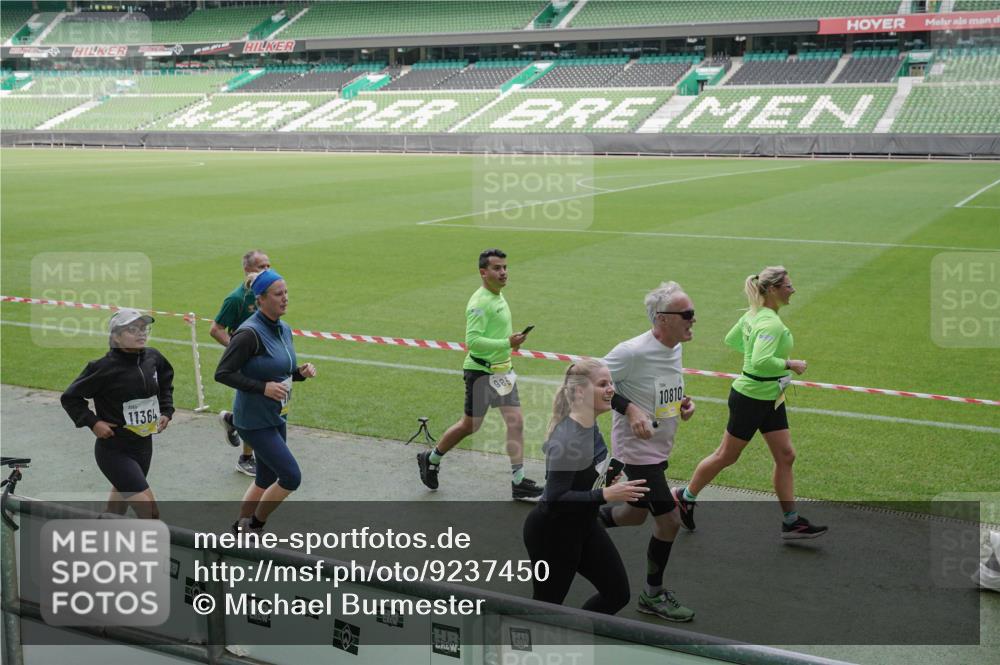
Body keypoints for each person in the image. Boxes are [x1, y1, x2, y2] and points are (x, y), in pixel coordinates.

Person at [674, 267, 828, 540]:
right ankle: (685, 497)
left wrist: (761, 360)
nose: (793, 290)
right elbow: (759, 361)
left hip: (770, 397)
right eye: (788, 286)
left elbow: (732, 340)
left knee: (786, 456)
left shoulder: (755, 314)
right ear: (772, 290)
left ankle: (791, 522)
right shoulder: (769, 322)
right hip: (751, 399)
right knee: (727, 455)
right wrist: (789, 364)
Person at [597, 281, 696, 622]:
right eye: (687, 314)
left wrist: (682, 402)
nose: (693, 319)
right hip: (637, 453)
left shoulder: (675, 345)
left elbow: (662, 386)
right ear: (662, 318)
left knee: (633, 515)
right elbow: (584, 379)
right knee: (669, 521)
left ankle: (577, 522)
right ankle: (652, 595)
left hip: (657, 447)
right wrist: (630, 409)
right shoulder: (632, 351)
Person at [523, 359, 648, 614]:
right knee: (547, 606)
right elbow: (555, 498)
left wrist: (603, 479)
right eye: (603, 384)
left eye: (611, 383)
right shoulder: (568, 438)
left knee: (616, 594)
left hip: (584, 525)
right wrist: (605, 493)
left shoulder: (590, 426)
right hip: (553, 534)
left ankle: (576, 636)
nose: (611, 389)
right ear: (580, 391)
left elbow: (583, 476)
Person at [416, 248, 543, 501]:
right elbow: (472, 342)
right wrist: (507, 342)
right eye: (497, 268)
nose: (503, 272)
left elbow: (495, 335)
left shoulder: (498, 295)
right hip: (481, 373)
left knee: (515, 422)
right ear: (483, 273)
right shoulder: (479, 302)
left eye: (505, 267)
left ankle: (518, 481)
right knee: (470, 425)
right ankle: (431, 459)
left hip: (502, 371)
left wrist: (512, 343)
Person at [215, 269, 317, 533]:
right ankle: (255, 526)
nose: (285, 299)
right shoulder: (249, 333)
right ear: (260, 299)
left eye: (286, 293)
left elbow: (279, 371)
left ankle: (239, 528)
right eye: (278, 294)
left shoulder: (283, 328)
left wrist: (299, 374)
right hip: (253, 420)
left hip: (276, 415)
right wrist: (262, 388)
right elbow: (223, 373)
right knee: (291, 476)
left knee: (266, 476)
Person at [61, 308, 174, 519]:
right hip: (115, 450)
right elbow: (70, 397)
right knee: (150, 513)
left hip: (143, 445)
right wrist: (93, 423)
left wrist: (167, 410)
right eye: (133, 329)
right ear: (116, 336)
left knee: (117, 509)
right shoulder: (103, 368)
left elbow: (166, 381)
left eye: (144, 328)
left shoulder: (153, 357)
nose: (141, 333)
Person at [211, 249, 271, 478]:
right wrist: (236, 350)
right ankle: (246, 458)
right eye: (261, 267)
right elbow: (216, 329)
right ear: (247, 270)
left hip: (266, 359)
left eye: (268, 266)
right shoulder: (236, 299)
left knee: (257, 407)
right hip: (248, 363)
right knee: (256, 406)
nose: (267, 271)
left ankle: (232, 420)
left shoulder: (268, 294)